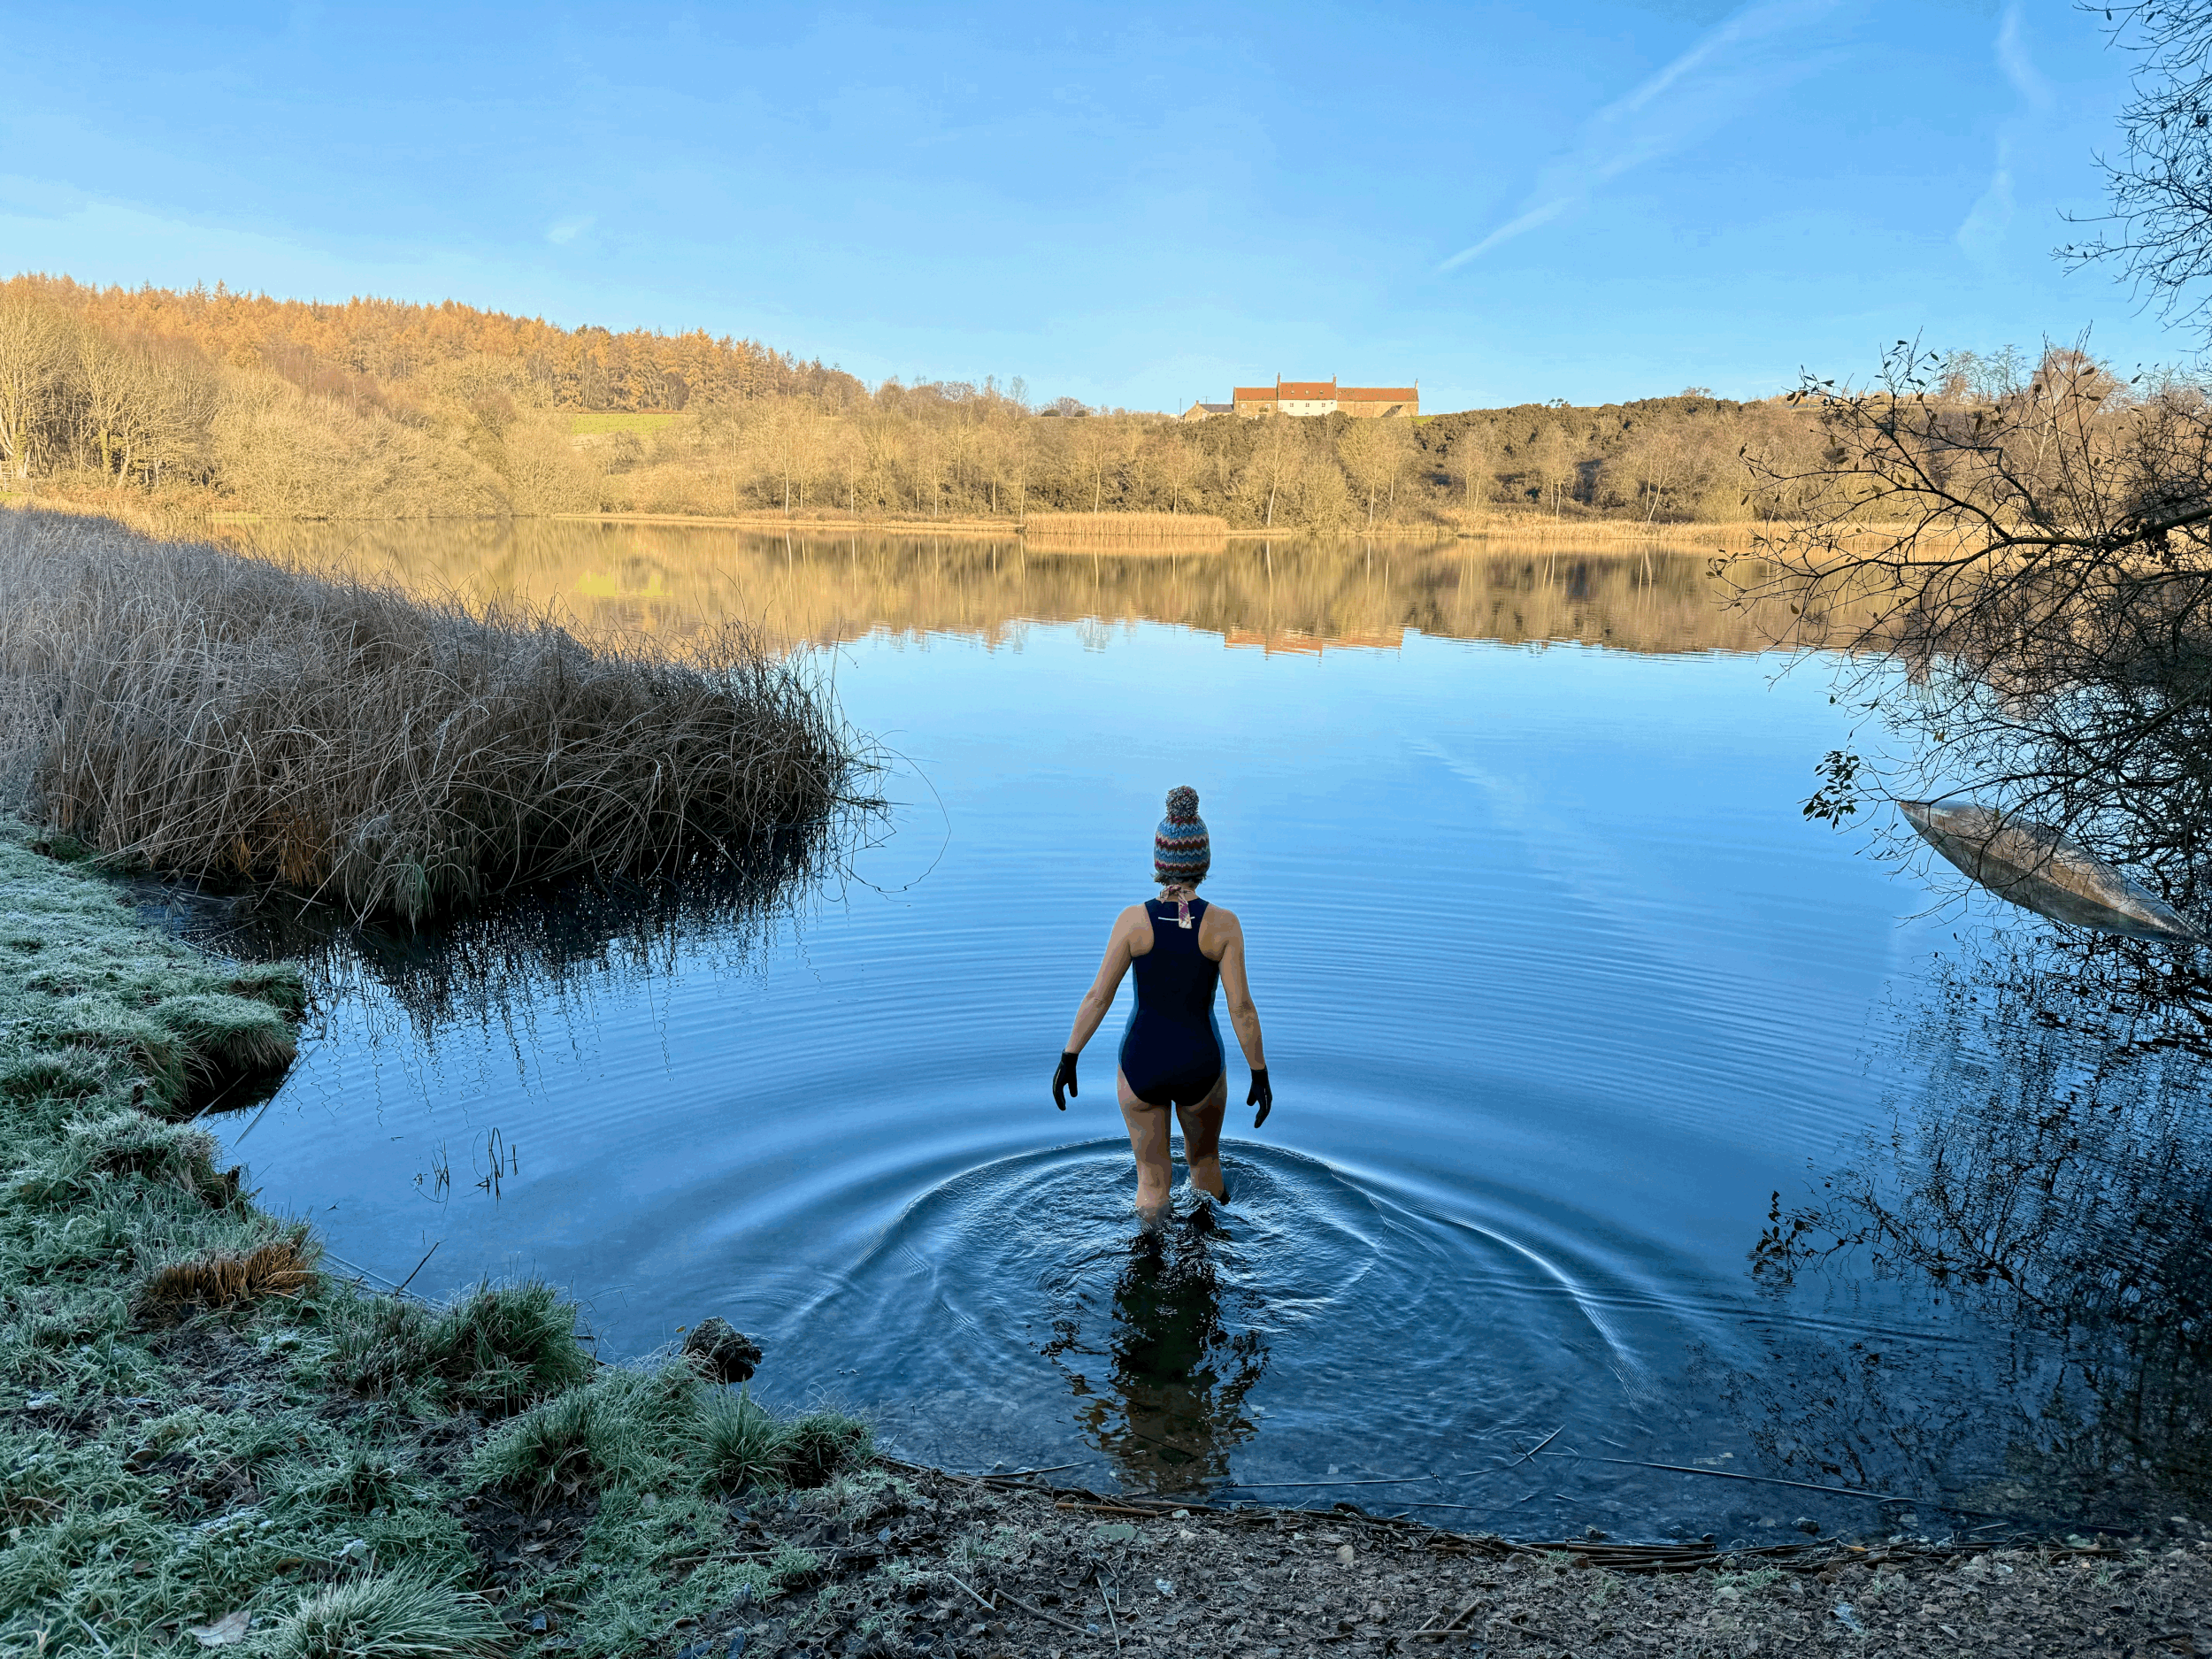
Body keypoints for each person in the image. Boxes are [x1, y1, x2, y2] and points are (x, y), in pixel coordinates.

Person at [1052, 786, 1271, 1215]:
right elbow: (1241, 1008)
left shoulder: (1132, 922)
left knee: (1152, 1185)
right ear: (1203, 863)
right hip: (1201, 1066)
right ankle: (1205, 1263)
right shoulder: (1224, 925)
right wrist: (1259, 1072)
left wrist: (1070, 1055)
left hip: (1141, 1065)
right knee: (1205, 1165)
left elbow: (1100, 996)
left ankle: (1147, 1267)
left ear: (1159, 861)